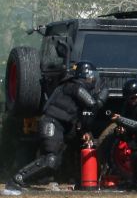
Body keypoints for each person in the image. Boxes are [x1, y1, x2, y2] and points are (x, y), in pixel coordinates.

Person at [8, 61, 108, 189]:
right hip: (52, 123)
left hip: (60, 125)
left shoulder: (70, 85)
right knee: (51, 160)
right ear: (86, 75)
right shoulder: (75, 86)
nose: (93, 79)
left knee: (63, 157)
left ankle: (80, 182)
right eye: (92, 76)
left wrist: (84, 131)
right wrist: (104, 94)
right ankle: (18, 179)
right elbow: (93, 104)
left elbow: (80, 114)